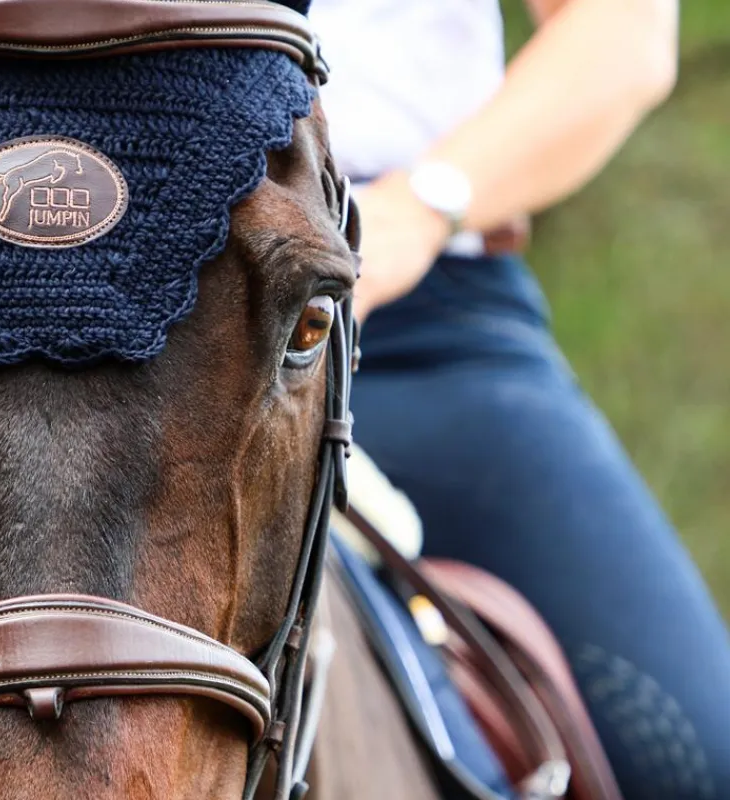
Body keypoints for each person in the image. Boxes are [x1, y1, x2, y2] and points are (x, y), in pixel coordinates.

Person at [311, 0, 730, 797]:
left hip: (423, 311)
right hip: (112, 319)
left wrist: (419, 208)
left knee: (695, 757)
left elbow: (624, 29)